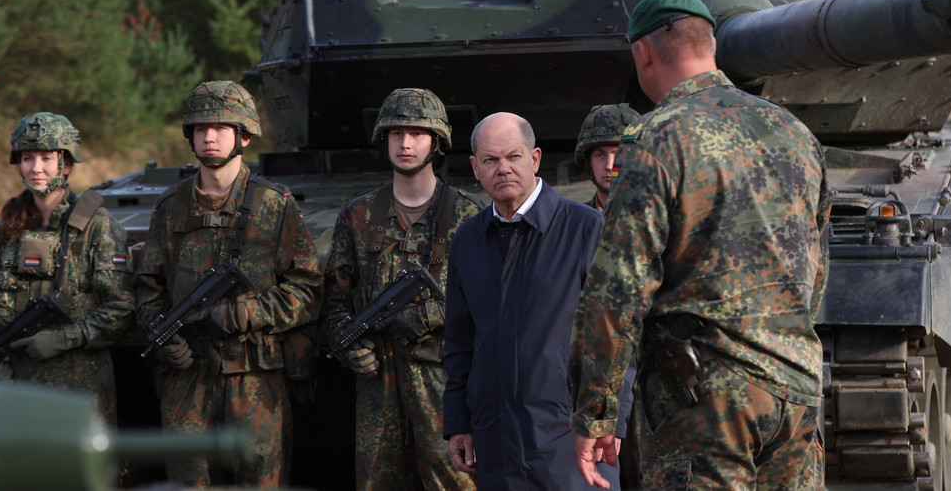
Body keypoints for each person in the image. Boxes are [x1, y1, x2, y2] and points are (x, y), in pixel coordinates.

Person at [568, 0, 831, 490]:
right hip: (796, 387)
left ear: (643, 53)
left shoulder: (655, 138)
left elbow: (618, 288)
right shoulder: (794, 132)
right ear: (710, 46)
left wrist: (596, 414)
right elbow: (816, 269)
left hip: (706, 400)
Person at [135, 80, 323, 487]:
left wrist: (246, 311)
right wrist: (163, 336)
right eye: (200, 128)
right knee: (186, 481)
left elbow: (308, 289)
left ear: (244, 135)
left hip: (254, 377)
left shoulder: (274, 205)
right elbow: (148, 286)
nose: (209, 136)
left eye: (221, 127)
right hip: (186, 376)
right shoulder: (170, 207)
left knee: (261, 479)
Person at [443, 112, 634, 490]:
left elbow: (619, 335)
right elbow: (461, 341)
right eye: (490, 160)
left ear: (535, 159)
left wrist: (607, 419)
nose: (503, 169)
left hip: (571, 439)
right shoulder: (468, 240)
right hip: (494, 438)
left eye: (513, 157)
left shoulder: (586, 230)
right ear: (475, 168)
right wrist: (458, 423)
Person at [323, 88, 481, 491]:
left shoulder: (467, 215)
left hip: (445, 386)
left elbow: (491, 307)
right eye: (396, 133)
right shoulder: (357, 215)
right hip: (378, 385)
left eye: (417, 133)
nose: (405, 143)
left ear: (437, 143)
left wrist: (430, 314)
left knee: (455, 483)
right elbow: (335, 300)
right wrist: (348, 346)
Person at [0, 112, 134, 424]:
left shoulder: (96, 226)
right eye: (28, 158)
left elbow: (121, 309)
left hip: (78, 389)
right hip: (15, 387)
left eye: (47, 158)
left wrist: (64, 339)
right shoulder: (9, 227)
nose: (36, 168)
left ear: (67, 164)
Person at [573, 104, 641, 211]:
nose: (609, 166)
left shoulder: (660, 220)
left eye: (619, 154)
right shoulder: (575, 221)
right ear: (588, 161)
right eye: (600, 155)